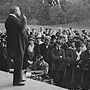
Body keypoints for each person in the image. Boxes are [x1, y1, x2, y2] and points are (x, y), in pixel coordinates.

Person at [5, 5, 28, 86]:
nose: (20, 12)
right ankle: (17, 81)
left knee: (19, 63)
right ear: (15, 11)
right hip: (16, 46)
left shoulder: (11, 19)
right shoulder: (12, 19)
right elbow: (21, 27)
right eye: (19, 11)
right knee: (18, 63)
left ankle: (19, 78)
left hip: (16, 45)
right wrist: (24, 20)